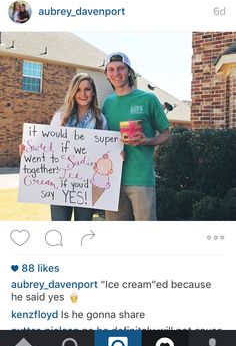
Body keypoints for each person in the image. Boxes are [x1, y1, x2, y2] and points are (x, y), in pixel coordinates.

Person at [20, 72, 108, 221]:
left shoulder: (100, 120)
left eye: (87, 89)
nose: (83, 94)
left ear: (93, 92)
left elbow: (105, 152)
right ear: (72, 92)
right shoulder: (60, 117)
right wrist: (29, 150)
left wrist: (116, 155)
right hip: (59, 184)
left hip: (86, 186)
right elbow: (46, 147)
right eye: (78, 89)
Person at [102, 52, 171, 221]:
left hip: (140, 179)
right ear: (106, 74)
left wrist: (147, 140)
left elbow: (167, 135)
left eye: (120, 68)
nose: (116, 73)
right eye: (110, 69)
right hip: (112, 180)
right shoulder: (107, 103)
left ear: (129, 71)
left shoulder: (148, 99)